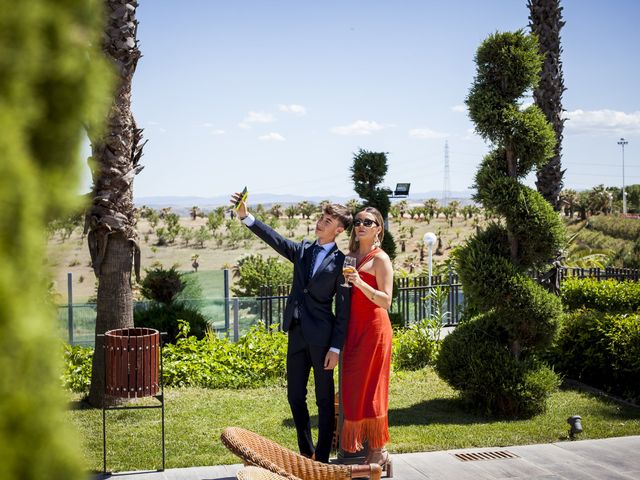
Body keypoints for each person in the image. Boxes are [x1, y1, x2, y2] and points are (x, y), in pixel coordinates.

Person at [230, 191, 352, 463]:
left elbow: (343, 311)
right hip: (296, 334)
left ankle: (321, 459)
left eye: (328, 220)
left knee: (323, 400)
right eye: (321, 217)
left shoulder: (343, 263)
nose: (320, 222)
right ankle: (305, 451)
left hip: (322, 339)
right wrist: (246, 217)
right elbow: (276, 240)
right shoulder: (303, 250)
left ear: (339, 229)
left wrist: (335, 347)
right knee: (295, 395)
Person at [341, 206, 393, 475]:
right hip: (353, 330)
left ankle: (378, 449)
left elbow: (386, 301)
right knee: (352, 386)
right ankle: (361, 446)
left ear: (378, 229)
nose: (361, 225)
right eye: (358, 221)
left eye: (368, 222)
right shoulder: (349, 258)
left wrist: (360, 283)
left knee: (373, 388)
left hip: (374, 329)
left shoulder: (381, 259)